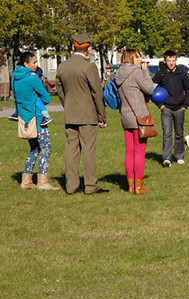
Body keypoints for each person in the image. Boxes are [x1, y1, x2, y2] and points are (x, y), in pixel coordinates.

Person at [56, 33, 107, 195]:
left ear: (73, 47)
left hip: (70, 113)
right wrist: (102, 116)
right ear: (88, 49)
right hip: (87, 115)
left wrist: (68, 105)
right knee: (88, 150)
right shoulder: (89, 66)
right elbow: (96, 93)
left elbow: (60, 91)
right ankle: (91, 185)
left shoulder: (63, 66)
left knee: (71, 150)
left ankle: (71, 186)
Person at [11, 52, 59, 190]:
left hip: (25, 119)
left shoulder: (15, 77)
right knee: (46, 149)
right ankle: (42, 182)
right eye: (34, 62)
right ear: (26, 64)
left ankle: (26, 181)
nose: (36, 65)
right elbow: (47, 98)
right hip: (38, 120)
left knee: (34, 149)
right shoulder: (33, 79)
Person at [115, 48, 155, 194]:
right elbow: (149, 89)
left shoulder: (119, 73)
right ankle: (139, 186)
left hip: (125, 115)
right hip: (139, 116)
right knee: (139, 151)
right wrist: (145, 71)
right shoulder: (135, 72)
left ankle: (130, 185)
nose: (140, 60)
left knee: (129, 151)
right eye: (138, 57)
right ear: (131, 58)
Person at [153, 50, 189, 167]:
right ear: (165, 61)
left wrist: (185, 105)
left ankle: (179, 155)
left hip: (180, 108)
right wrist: (161, 106)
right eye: (169, 61)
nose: (171, 63)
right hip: (166, 109)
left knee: (179, 133)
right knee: (167, 133)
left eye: (173, 60)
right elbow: (152, 91)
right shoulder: (160, 74)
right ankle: (167, 158)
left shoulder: (182, 74)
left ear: (176, 61)